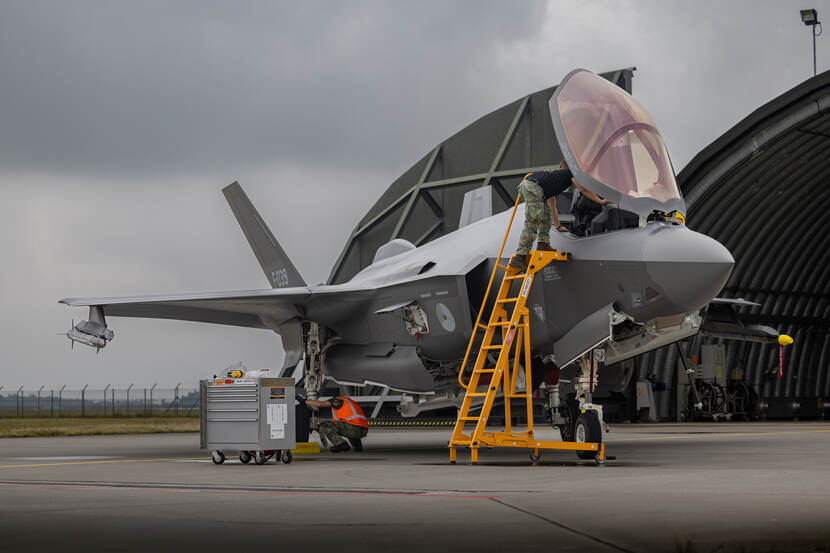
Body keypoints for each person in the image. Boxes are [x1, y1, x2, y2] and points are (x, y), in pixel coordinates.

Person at [510, 160, 610, 271]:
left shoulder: (552, 182)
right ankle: (520, 256)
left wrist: (557, 226)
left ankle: (543, 243)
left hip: (532, 186)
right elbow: (582, 188)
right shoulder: (571, 172)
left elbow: (553, 209)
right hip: (532, 187)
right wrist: (600, 201)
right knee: (533, 220)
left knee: (546, 215)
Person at [304, 395, 368, 453]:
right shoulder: (348, 401)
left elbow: (320, 404)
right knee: (347, 426)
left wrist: (304, 401)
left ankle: (341, 444)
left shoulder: (337, 400)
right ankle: (358, 447)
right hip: (363, 430)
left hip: (354, 429)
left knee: (325, 424)